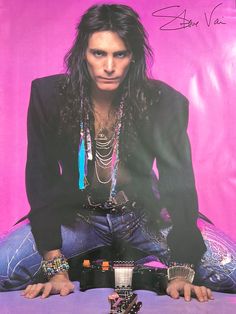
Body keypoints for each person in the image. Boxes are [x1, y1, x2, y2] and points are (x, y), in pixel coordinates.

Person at [0, 4, 235, 302]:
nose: (108, 66)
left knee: (230, 272)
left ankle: (117, 259)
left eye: (119, 54)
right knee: (3, 269)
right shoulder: (49, 97)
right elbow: (41, 175)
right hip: (78, 219)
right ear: (82, 54)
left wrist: (181, 269)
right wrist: (55, 265)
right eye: (98, 53)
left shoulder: (164, 103)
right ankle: (93, 260)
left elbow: (178, 181)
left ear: (133, 57)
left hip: (143, 218)